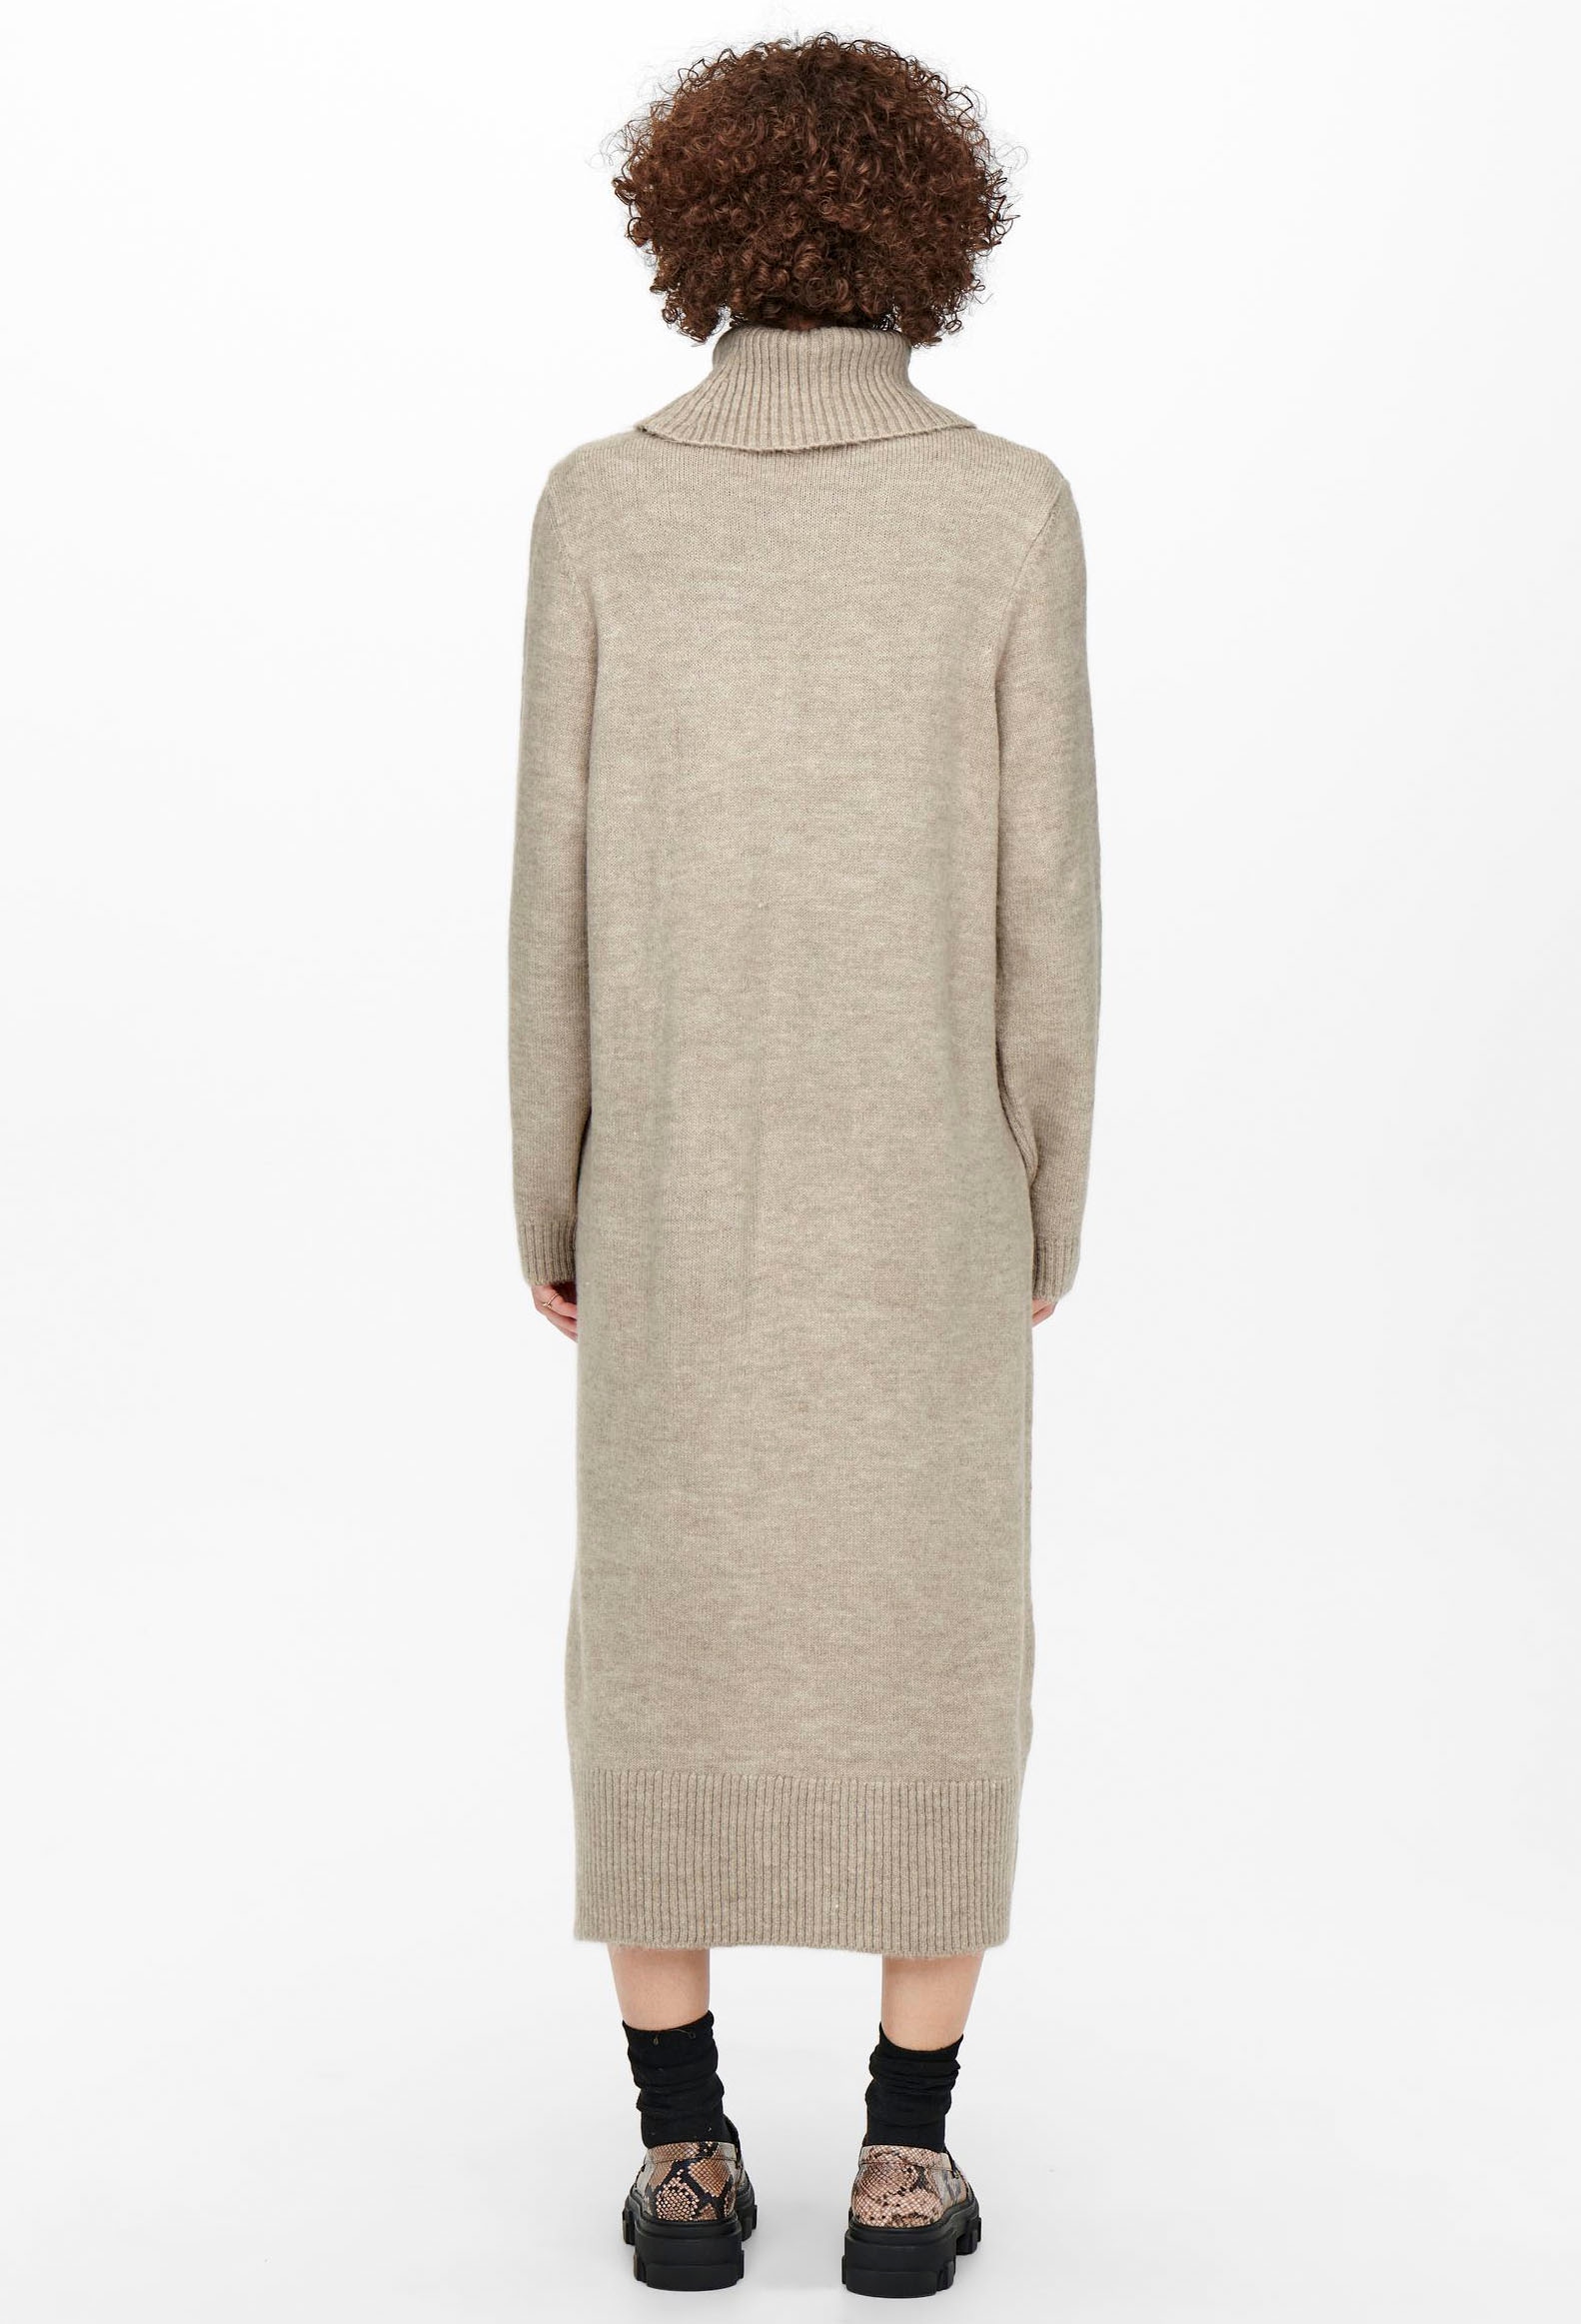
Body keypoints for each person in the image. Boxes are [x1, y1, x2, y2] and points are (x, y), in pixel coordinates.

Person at [509, 34, 1100, 2298]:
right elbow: (1049, 900)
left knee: (657, 1646)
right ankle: (901, 2168)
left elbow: (551, 894)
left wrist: (551, 1188)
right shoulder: (1007, 508)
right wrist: (1043, 1189)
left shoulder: (600, 503)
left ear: (693, 228)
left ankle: (684, 2159)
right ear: (931, 232)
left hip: (666, 1180)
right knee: (933, 1651)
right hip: (928, 1190)